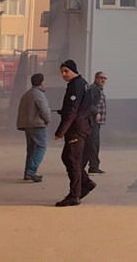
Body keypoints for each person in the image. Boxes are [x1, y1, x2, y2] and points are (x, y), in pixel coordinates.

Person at [54, 59, 96, 206]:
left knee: (73, 161)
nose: (64, 75)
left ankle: (74, 194)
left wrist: (60, 131)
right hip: (83, 126)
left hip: (76, 129)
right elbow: (85, 106)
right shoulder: (84, 84)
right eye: (62, 72)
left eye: (66, 71)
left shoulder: (76, 86)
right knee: (67, 157)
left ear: (74, 70)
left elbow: (72, 111)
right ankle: (85, 183)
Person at [17, 73, 52, 182]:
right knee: (41, 147)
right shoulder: (39, 95)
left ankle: (27, 172)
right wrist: (48, 120)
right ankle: (31, 172)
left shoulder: (27, 94)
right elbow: (44, 110)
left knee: (31, 149)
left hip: (27, 125)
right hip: (37, 125)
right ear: (42, 82)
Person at [85, 71, 107, 174]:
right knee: (93, 143)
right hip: (92, 120)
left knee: (94, 143)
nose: (103, 80)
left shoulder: (99, 89)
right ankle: (93, 166)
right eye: (101, 78)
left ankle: (93, 165)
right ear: (96, 78)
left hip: (96, 121)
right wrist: (96, 112)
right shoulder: (93, 89)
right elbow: (88, 103)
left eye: (105, 78)